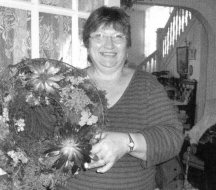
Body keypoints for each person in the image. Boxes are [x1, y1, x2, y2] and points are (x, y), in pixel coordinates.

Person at [59, 6, 184, 190]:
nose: (109, 45)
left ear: (127, 45)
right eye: (99, 36)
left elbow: (174, 138)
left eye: (118, 36)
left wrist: (127, 143)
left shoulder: (146, 85)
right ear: (87, 42)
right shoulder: (67, 85)